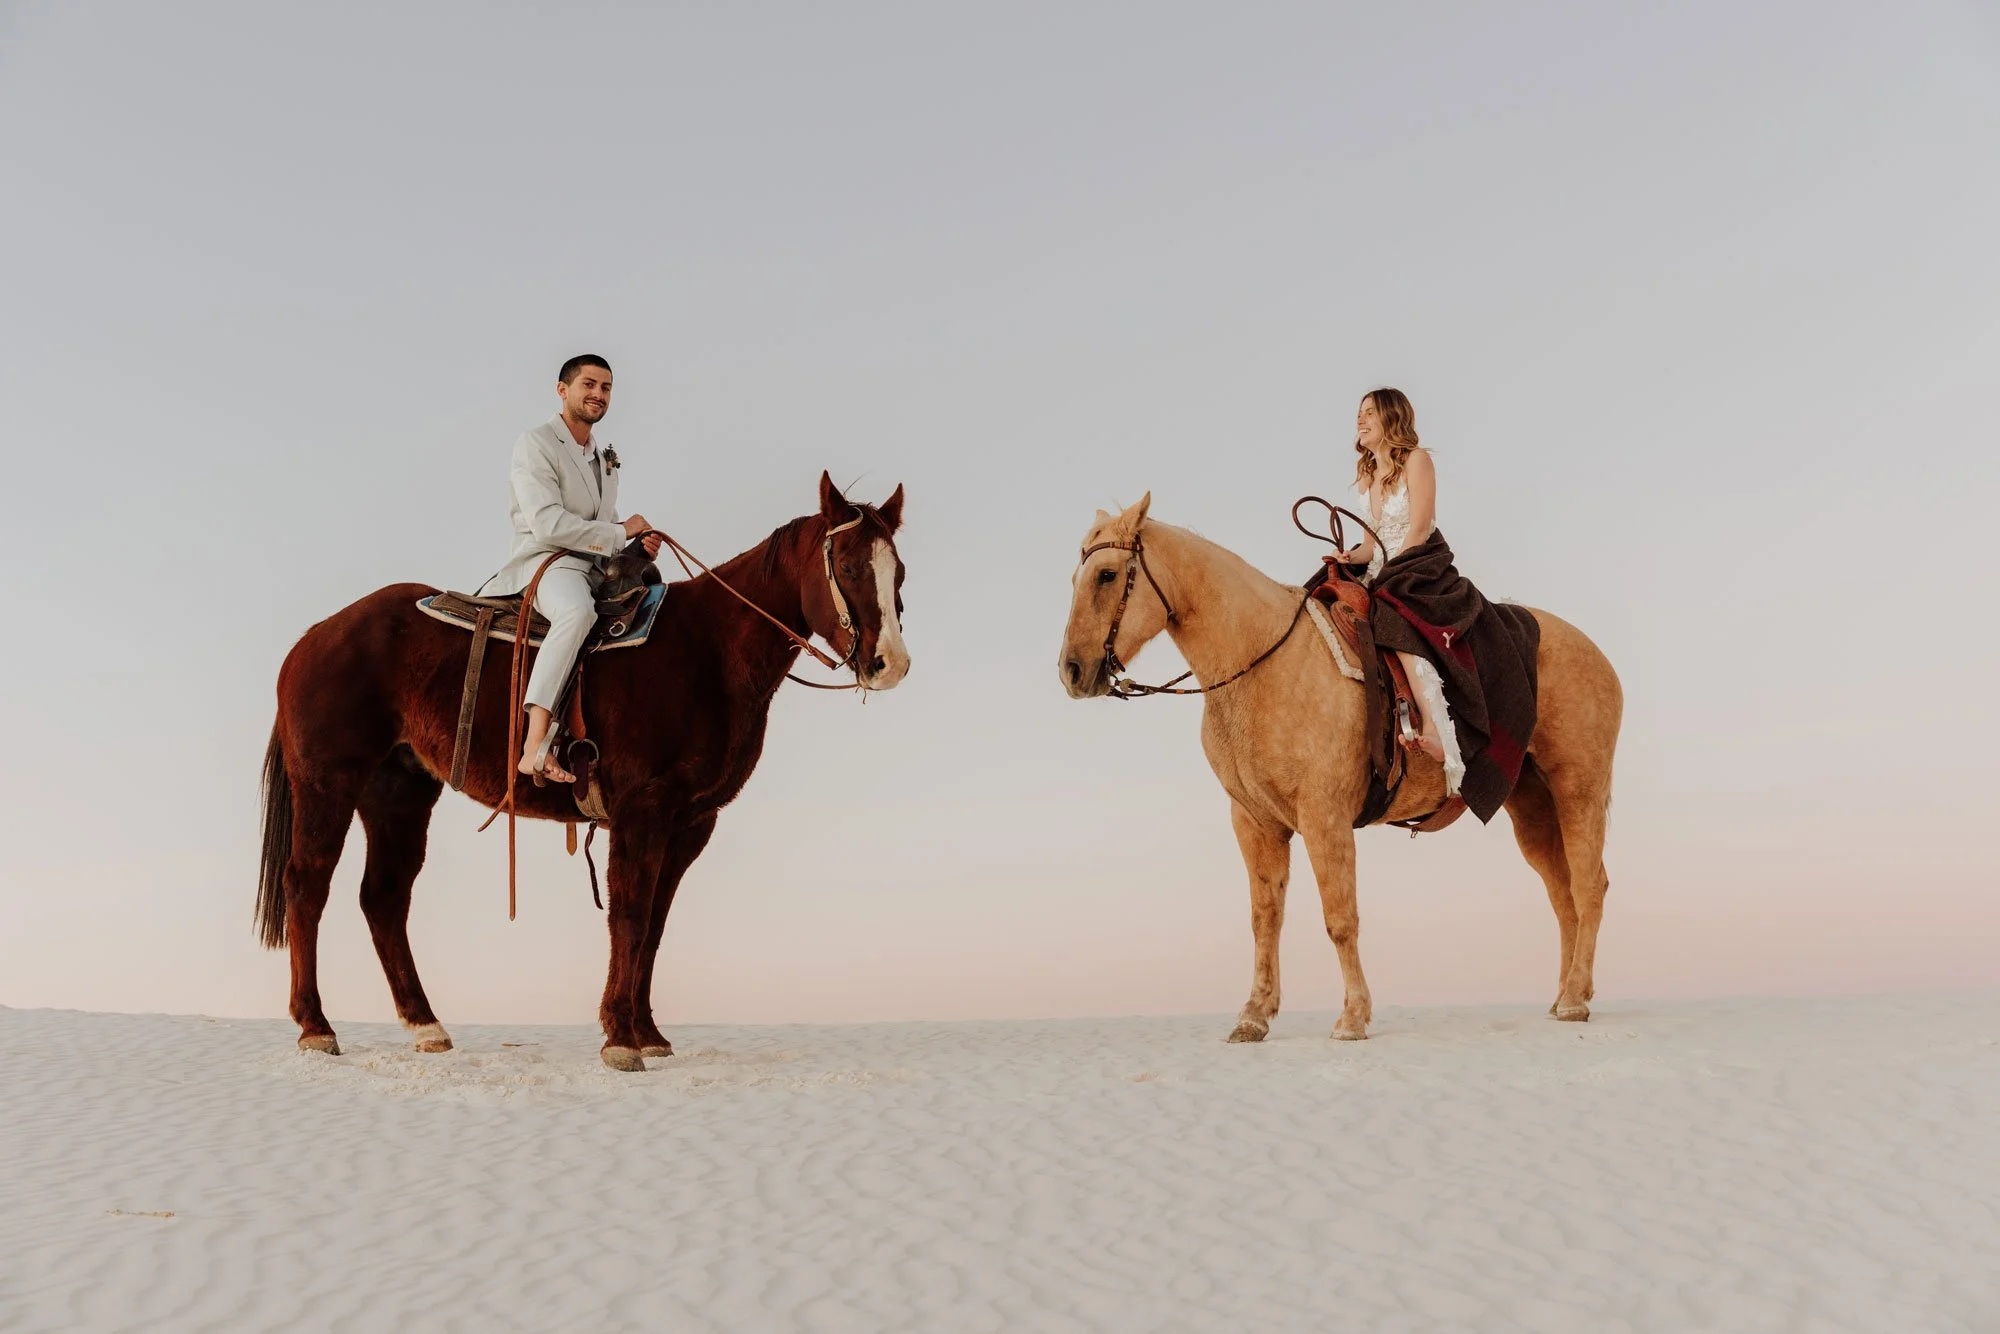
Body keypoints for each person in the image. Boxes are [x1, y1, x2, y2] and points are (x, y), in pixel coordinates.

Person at [478, 354, 662, 783]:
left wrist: (634, 546)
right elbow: (547, 522)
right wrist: (618, 534)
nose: (599, 394)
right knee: (577, 613)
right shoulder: (536, 443)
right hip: (547, 560)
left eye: (607, 388)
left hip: (593, 563)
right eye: (590, 385)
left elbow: (601, 524)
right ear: (563, 391)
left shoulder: (605, 458)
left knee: (654, 602)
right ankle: (534, 743)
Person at [1334, 388, 1462, 791]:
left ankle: (1438, 730)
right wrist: (1349, 557)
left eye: (1369, 412)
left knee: (1396, 625)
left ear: (1392, 417)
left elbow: (1419, 528)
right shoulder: (1368, 476)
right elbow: (1371, 544)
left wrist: (1389, 572)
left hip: (1417, 566)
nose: (1360, 419)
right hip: (1380, 566)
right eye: (1358, 413)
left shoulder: (1418, 462)